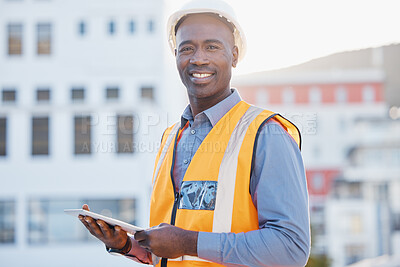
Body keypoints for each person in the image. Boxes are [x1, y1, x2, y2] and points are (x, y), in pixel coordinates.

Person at [79, 0, 311, 266]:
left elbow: (291, 249)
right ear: (176, 55)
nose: (198, 58)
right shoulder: (171, 138)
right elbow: (172, 250)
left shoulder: (267, 134)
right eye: (187, 48)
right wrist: (125, 245)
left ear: (234, 55)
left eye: (212, 47)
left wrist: (189, 242)